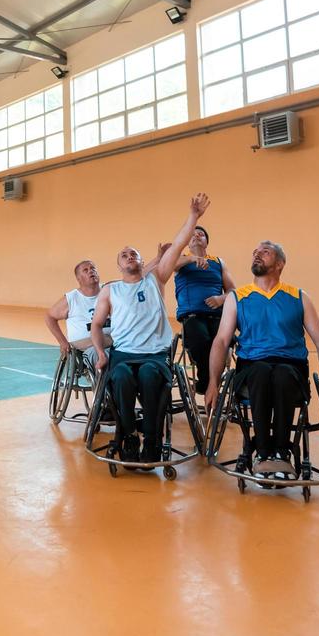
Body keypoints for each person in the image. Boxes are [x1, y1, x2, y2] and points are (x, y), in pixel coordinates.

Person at [90, 192, 210, 464]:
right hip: (122, 353)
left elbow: (178, 245)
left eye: (134, 253)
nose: (129, 256)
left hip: (154, 355)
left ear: (144, 262)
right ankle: (129, 434)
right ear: (119, 265)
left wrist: (193, 216)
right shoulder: (110, 290)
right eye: (124, 255)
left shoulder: (155, 279)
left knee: (147, 375)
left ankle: (153, 441)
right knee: (119, 377)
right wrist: (100, 352)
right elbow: (97, 325)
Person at [205, 240, 319, 474]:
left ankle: (281, 451)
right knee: (260, 371)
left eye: (265, 252)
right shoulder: (237, 297)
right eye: (255, 252)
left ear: (280, 264)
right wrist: (212, 383)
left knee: (281, 374)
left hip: (291, 366)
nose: (257, 255)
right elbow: (221, 341)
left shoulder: (298, 297)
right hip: (251, 366)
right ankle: (263, 450)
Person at [172, 225, 234, 411]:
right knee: (201, 339)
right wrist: (192, 258)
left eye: (201, 234)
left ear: (207, 241)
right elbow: (170, 266)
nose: (197, 236)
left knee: (222, 341)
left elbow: (232, 290)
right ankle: (208, 382)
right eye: (192, 235)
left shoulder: (218, 262)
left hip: (217, 316)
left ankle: (207, 383)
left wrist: (221, 299)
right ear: (187, 242)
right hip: (192, 315)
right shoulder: (180, 259)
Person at [44, 259, 111, 367]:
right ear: (79, 279)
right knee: (97, 354)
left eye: (93, 268)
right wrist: (62, 342)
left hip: (111, 340)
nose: (91, 271)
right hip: (86, 345)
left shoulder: (108, 290)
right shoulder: (71, 298)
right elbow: (49, 316)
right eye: (86, 270)